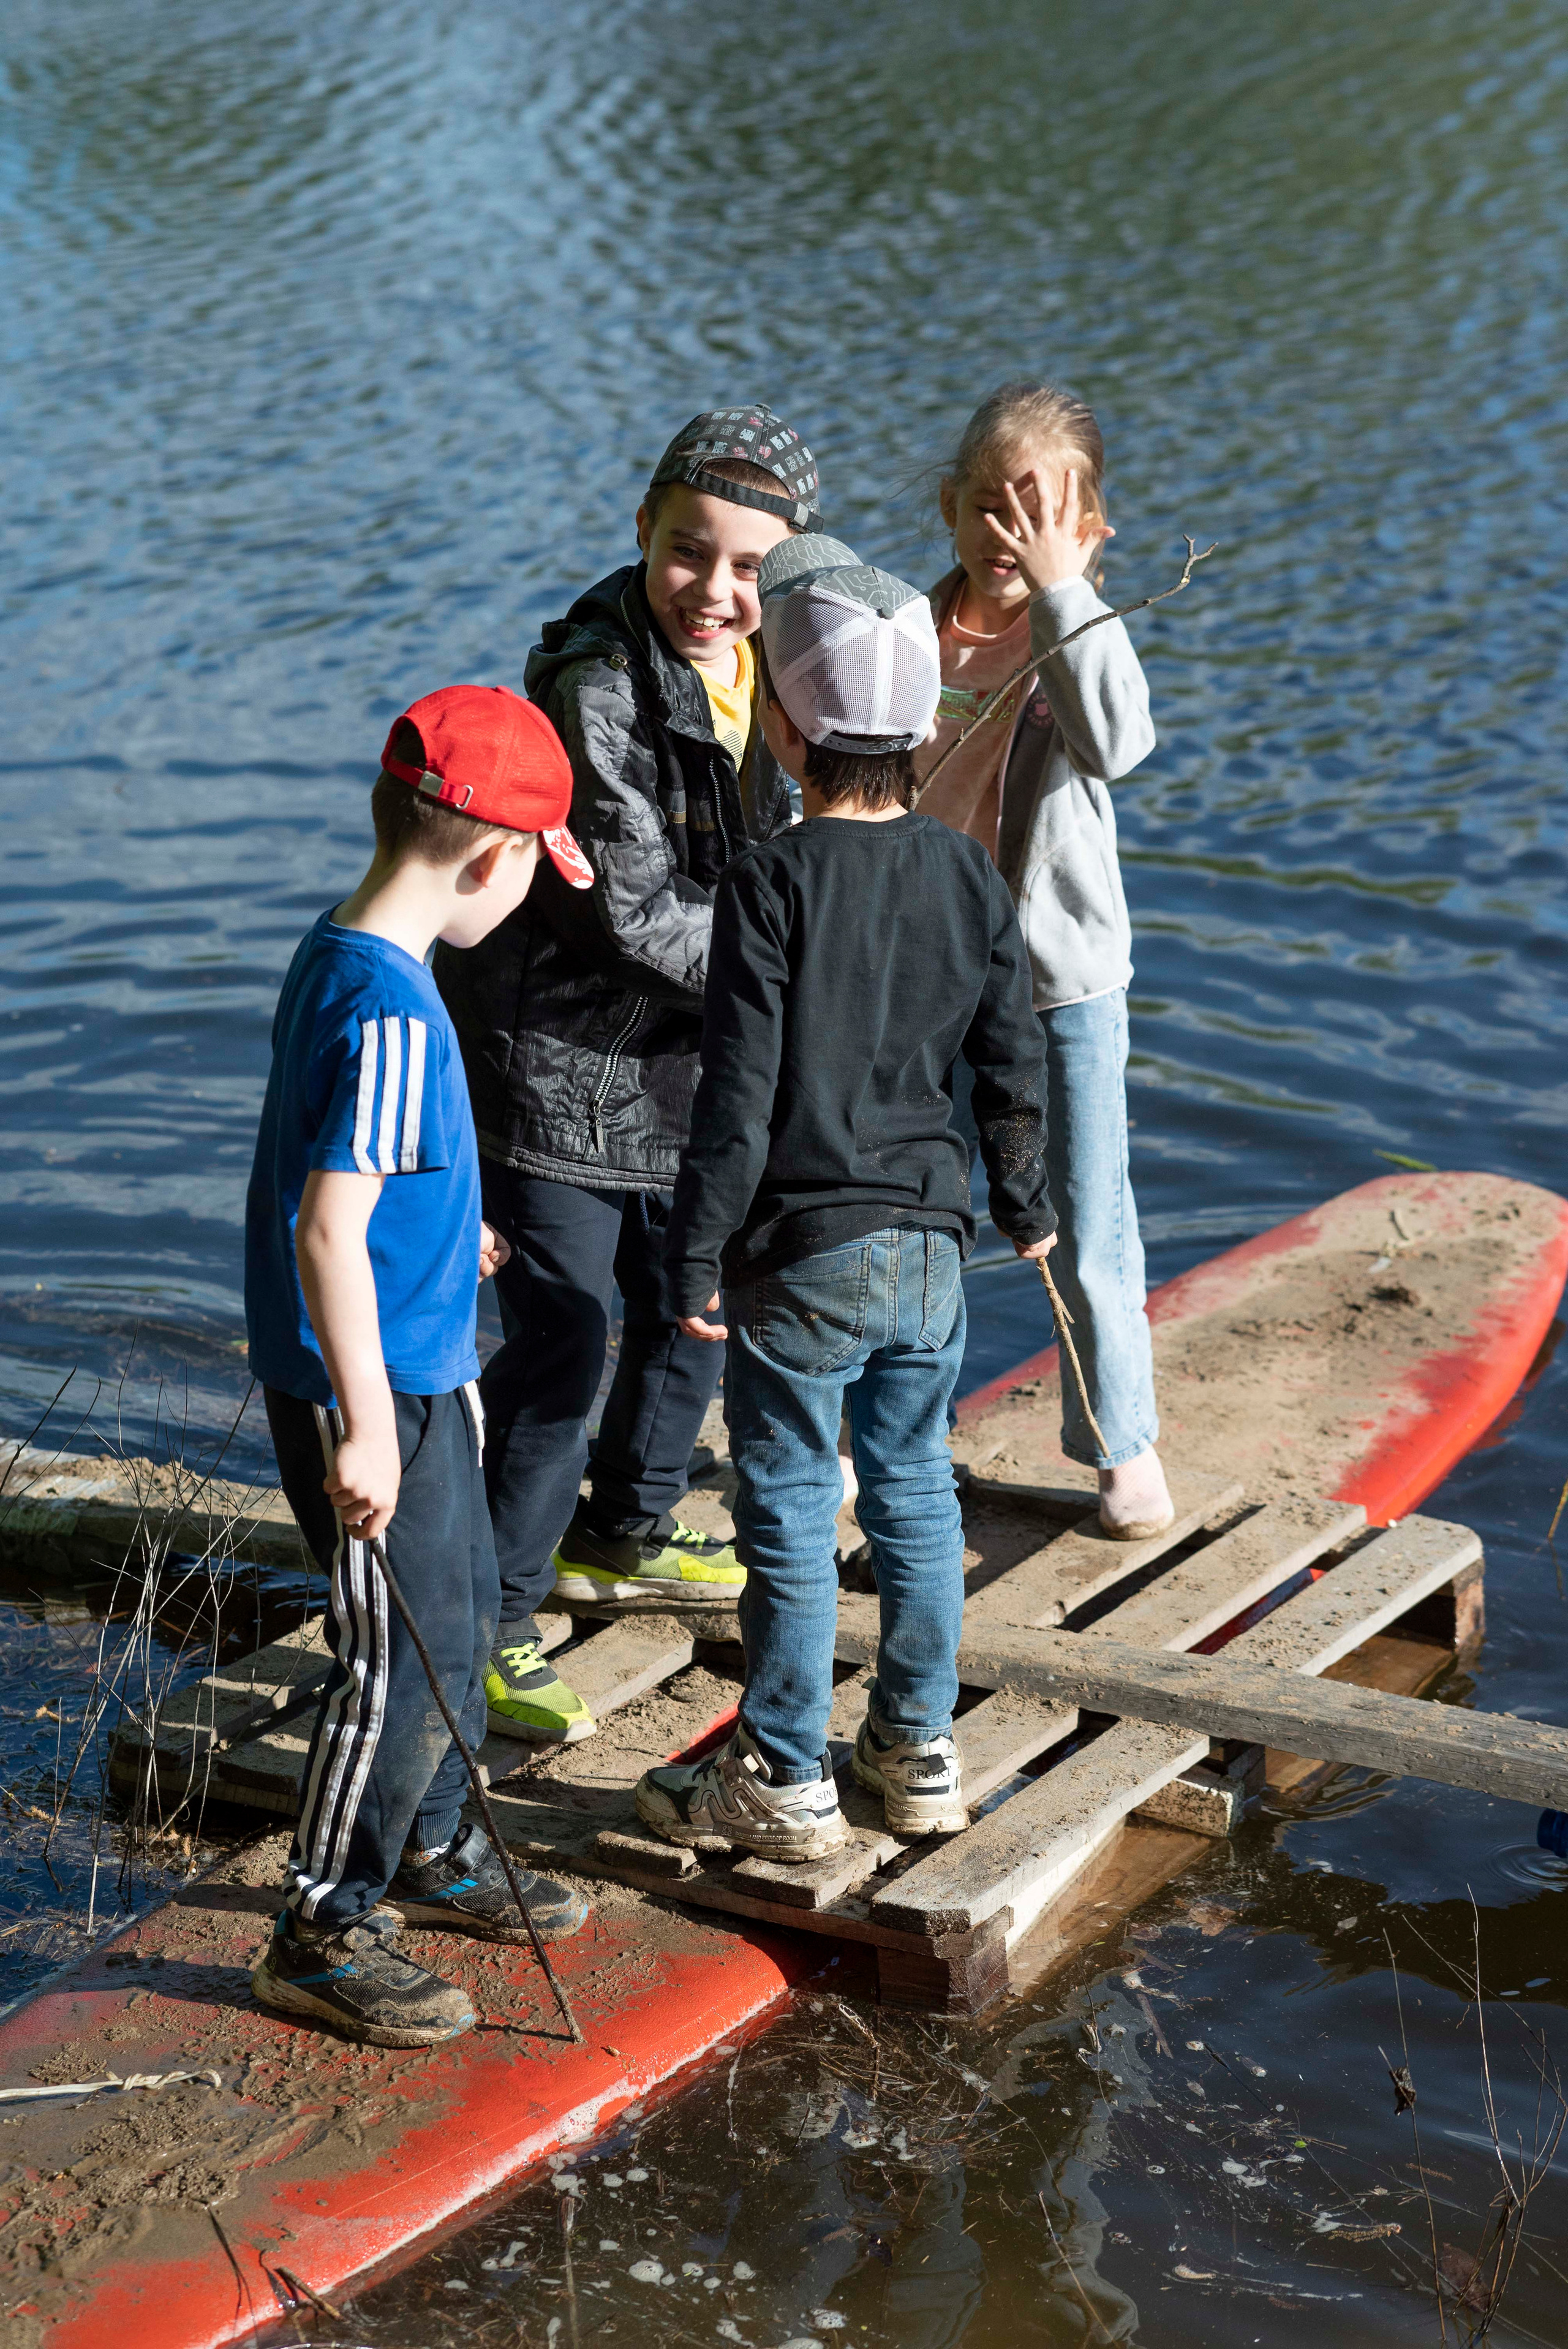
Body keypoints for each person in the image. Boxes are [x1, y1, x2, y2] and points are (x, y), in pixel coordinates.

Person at [634, 536, 1057, 1861]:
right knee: (915, 1489)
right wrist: (1026, 1199)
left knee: (783, 1500)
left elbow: (735, 1096)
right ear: (927, 718)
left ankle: (780, 1770)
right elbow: (1010, 1049)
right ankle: (916, 1750)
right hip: (931, 1243)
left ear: (780, 720)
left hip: (800, 1253)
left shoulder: (770, 880)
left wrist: (693, 1256)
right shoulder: (965, 874)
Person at [434, 407, 821, 1744]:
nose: (714, 592)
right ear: (640, 531)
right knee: (561, 1345)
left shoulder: (769, 662)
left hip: (679, 1061)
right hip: (553, 1064)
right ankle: (493, 1617)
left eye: (750, 569)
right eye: (686, 553)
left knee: (688, 1298)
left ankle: (628, 1527)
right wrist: (799, 962)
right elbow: (633, 917)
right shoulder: (596, 682)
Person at [244, 686, 594, 2048]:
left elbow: (366, 1177)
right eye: (531, 878)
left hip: (413, 1354)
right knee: (390, 1650)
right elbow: (327, 1223)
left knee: (450, 1625)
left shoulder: (340, 955)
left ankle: (435, 1846)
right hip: (373, 1386)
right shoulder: (393, 1012)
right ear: (492, 859)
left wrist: (461, 1235)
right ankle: (321, 1923)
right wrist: (368, 1429)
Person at [913, 380, 1172, 1541]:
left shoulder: (1080, 634)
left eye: (1039, 512)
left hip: (1061, 987)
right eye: (987, 505)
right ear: (949, 508)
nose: (1009, 534)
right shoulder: (906, 633)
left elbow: (1119, 739)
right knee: (911, 1209)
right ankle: (903, 1433)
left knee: (1085, 1213)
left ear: (1090, 530)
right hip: (925, 984)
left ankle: (1122, 1442)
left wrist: (1065, 594)